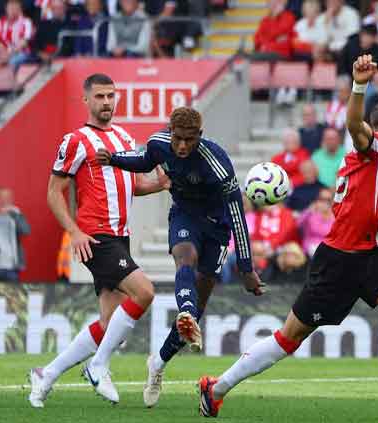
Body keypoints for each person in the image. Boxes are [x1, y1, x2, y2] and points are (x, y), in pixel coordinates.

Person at [197, 55, 378, 423]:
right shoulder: (373, 147)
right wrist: (359, 85)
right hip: (339, 260)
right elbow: (355, 123)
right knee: (289, 338)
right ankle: (216, 389)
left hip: (372, 256)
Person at [96, 105, 263, 407]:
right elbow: (144, 160)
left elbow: (237, 215)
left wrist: (246, 266)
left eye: (189, 139)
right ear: (170, 134)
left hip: (217, 227)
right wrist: (114, 159)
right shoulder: (161, 144)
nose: (182, 146)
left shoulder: (218, 164)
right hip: (185, 216)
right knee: (185, 258)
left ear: (200, 135)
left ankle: (157, 364)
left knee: (199, 306)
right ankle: (185, 310)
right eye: (177, 139)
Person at [30, 74, 163, 407]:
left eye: (111, 96)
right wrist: (74, 231)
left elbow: (132, 186)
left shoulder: (123, 137)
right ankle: (97, 365)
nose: (107, 102)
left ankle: (47, 374)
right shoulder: (76, 140)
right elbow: (53, 192)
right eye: (100, 96)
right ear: (86, 100)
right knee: (144, 292)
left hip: (121, 235)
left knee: (108, 325)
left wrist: (161, 184)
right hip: (96, 236)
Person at [0, 0, 34, 67]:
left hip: (21, 52)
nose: (13, 9)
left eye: (15, 6)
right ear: (6, 8)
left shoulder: (26, 22)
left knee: (13, 61)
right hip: (4, 52)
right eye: (11, 6)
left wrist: (9, 55)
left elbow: (23, 43)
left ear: (20, 9)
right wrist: (3, 55)